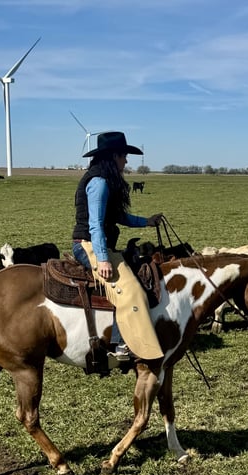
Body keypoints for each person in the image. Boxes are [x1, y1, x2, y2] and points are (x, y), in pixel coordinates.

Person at [71, 131, 165, 363]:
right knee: (130, 289)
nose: (126, 161)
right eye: (124, 156)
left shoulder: (103, 179)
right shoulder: (99, 183)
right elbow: (95, 224)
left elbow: (117, 217)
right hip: (89, 245)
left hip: (97, 244)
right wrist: (102, 259)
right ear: (114, 156)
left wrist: (147, 221)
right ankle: (121, 344)